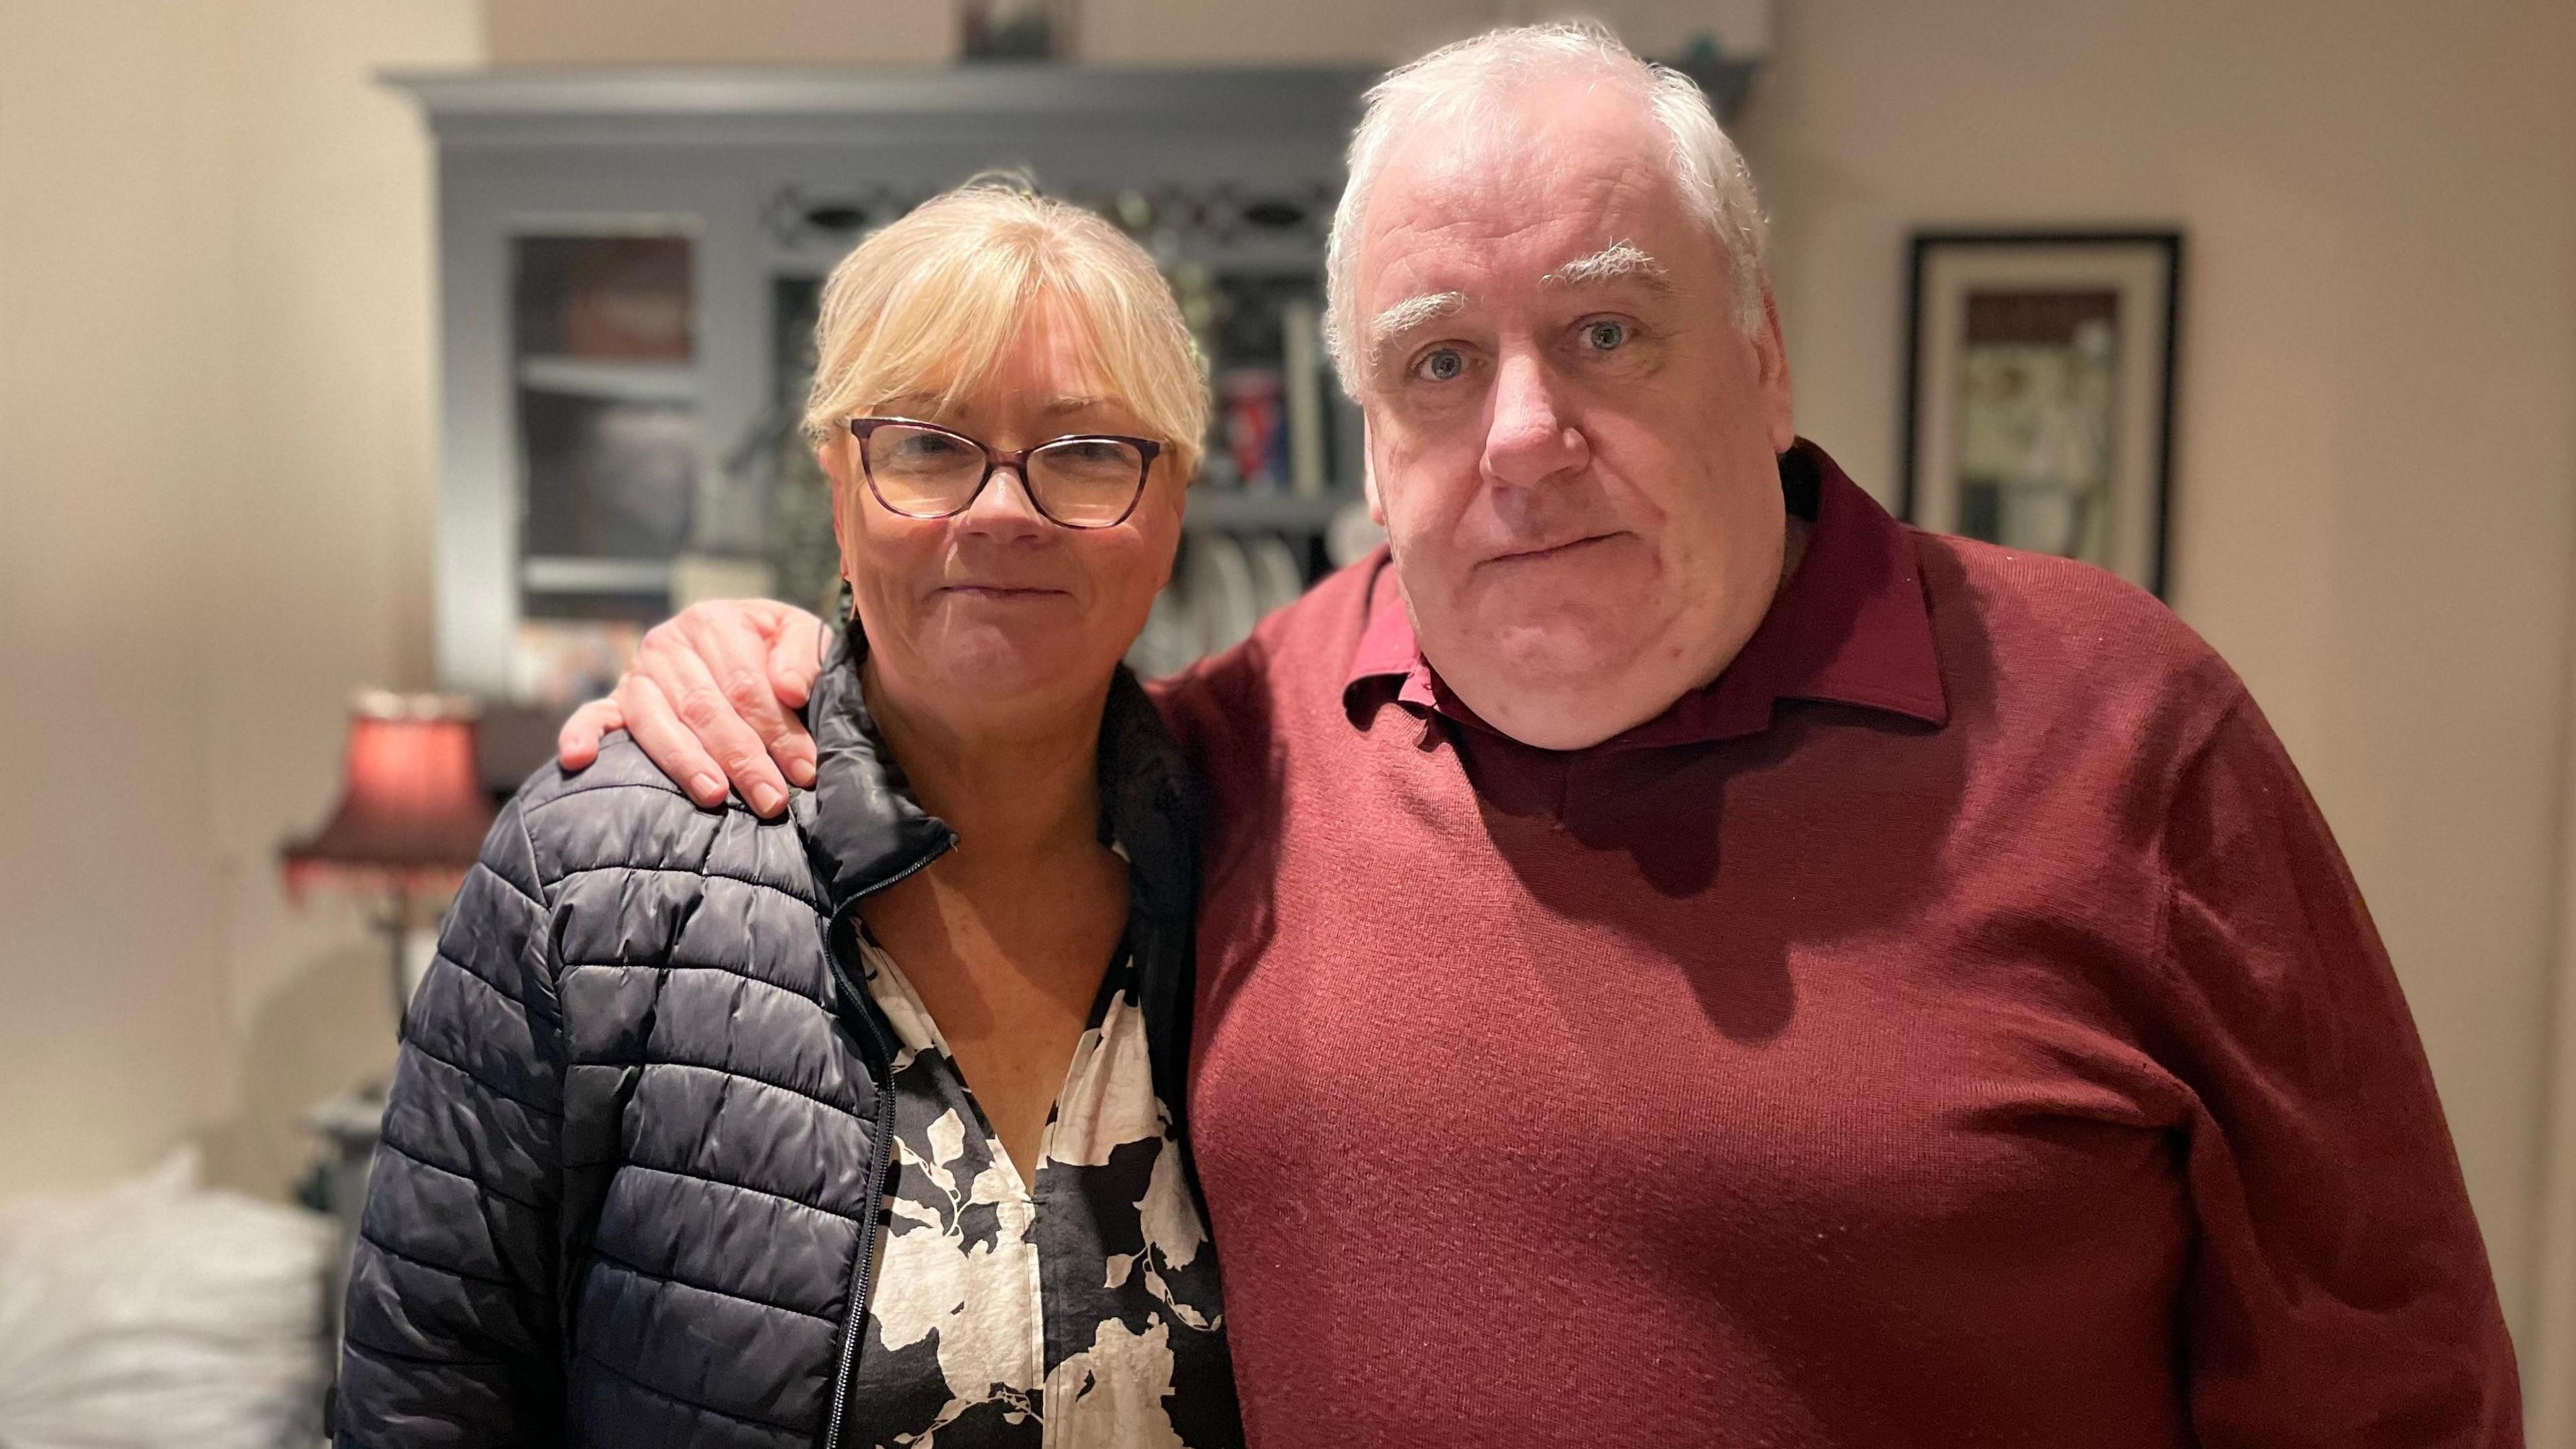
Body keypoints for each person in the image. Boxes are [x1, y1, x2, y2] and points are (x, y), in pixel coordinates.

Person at [562, 23, 2523, 1448]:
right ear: (1368, 436)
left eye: (1605, 331)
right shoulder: (1232, 750)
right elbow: (954, 717)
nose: (1521, 435)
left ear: (1761, 354)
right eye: (1438, 361)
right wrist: (751, 665)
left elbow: (2392, 1383)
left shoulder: (2123, 732)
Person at [338, 182, 1244, 1448]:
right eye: (928, 444)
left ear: (1173, 502)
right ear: (840, 481)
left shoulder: (1258, 855)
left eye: (1087, 452)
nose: (1000, 510)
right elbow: (425, 1400)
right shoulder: (584, 880)